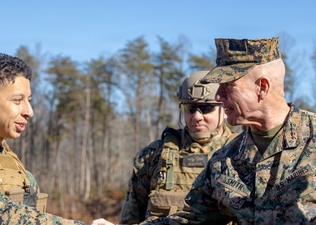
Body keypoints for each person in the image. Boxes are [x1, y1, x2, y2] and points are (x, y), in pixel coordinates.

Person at [93, 36, 316, 225]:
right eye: (191, 108)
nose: (218, 96)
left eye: (228, 86)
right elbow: (186, 221)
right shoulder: (224, 161)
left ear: (262, 87)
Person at [0, 53, 84, 224]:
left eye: (29, 100)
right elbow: (1, 218)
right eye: (18, 100)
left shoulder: (18, 171)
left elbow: (34, 216)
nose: (29, 112)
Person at [118, 71, 237, 224]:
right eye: (190, 108)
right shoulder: (153, 155)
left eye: (206, 108)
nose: (197, 117)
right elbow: (131, 218)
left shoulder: (242, 153)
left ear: (225, 109)